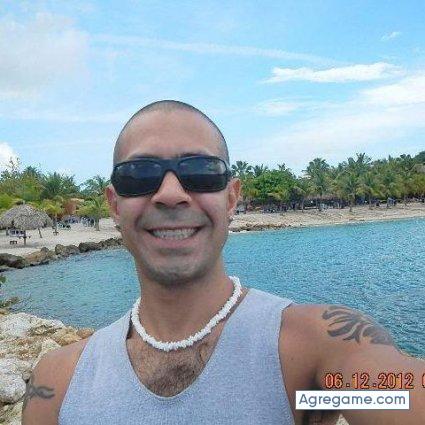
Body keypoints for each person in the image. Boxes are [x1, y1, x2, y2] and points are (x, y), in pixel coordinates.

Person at [23, 101, 424, 425]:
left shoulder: (315, 355)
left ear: (231, 199)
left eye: (200, 171)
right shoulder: (58, 383)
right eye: (140, 175)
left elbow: (391, 394)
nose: (170, 194)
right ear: (114, 205)